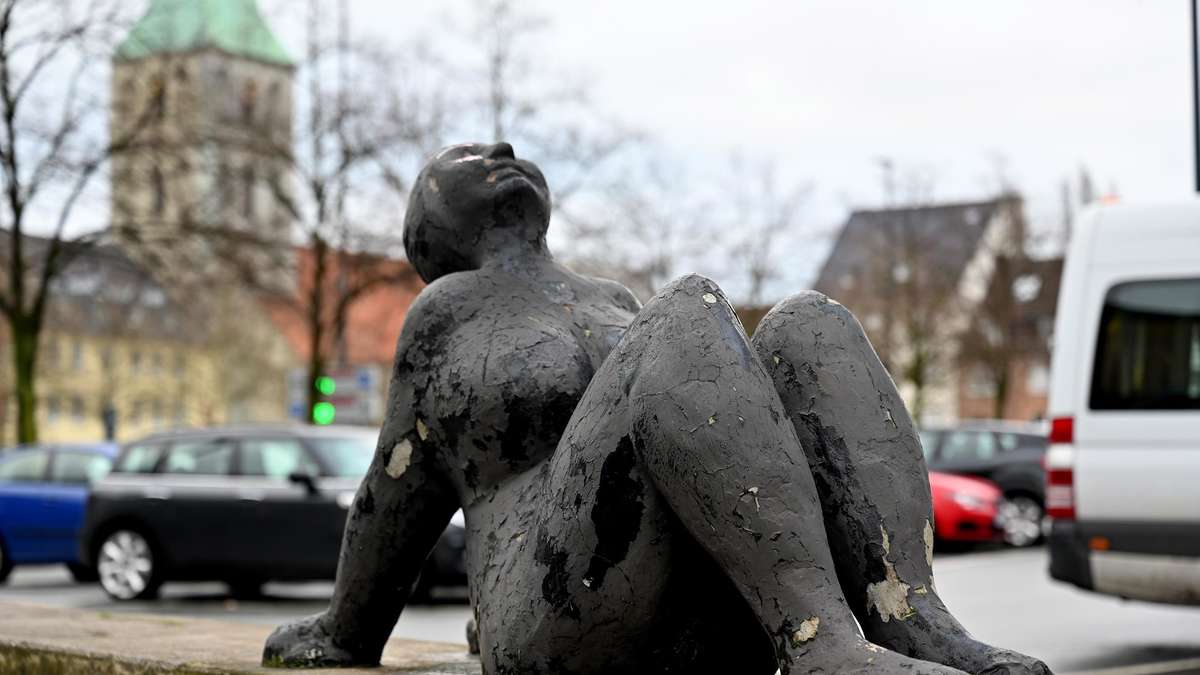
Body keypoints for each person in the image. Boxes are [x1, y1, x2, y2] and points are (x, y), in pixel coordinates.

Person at [263, 142, 1049, 675]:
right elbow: (393, 487)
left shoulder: (614, 302)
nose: (501, 150)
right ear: (429, 230)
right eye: (466, 158)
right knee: (685, 307)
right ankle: (821, 640)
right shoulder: (445, 310)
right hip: (550, 616)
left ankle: (908, 613)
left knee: (810, 324)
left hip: (691, 612)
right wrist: (343, 632)